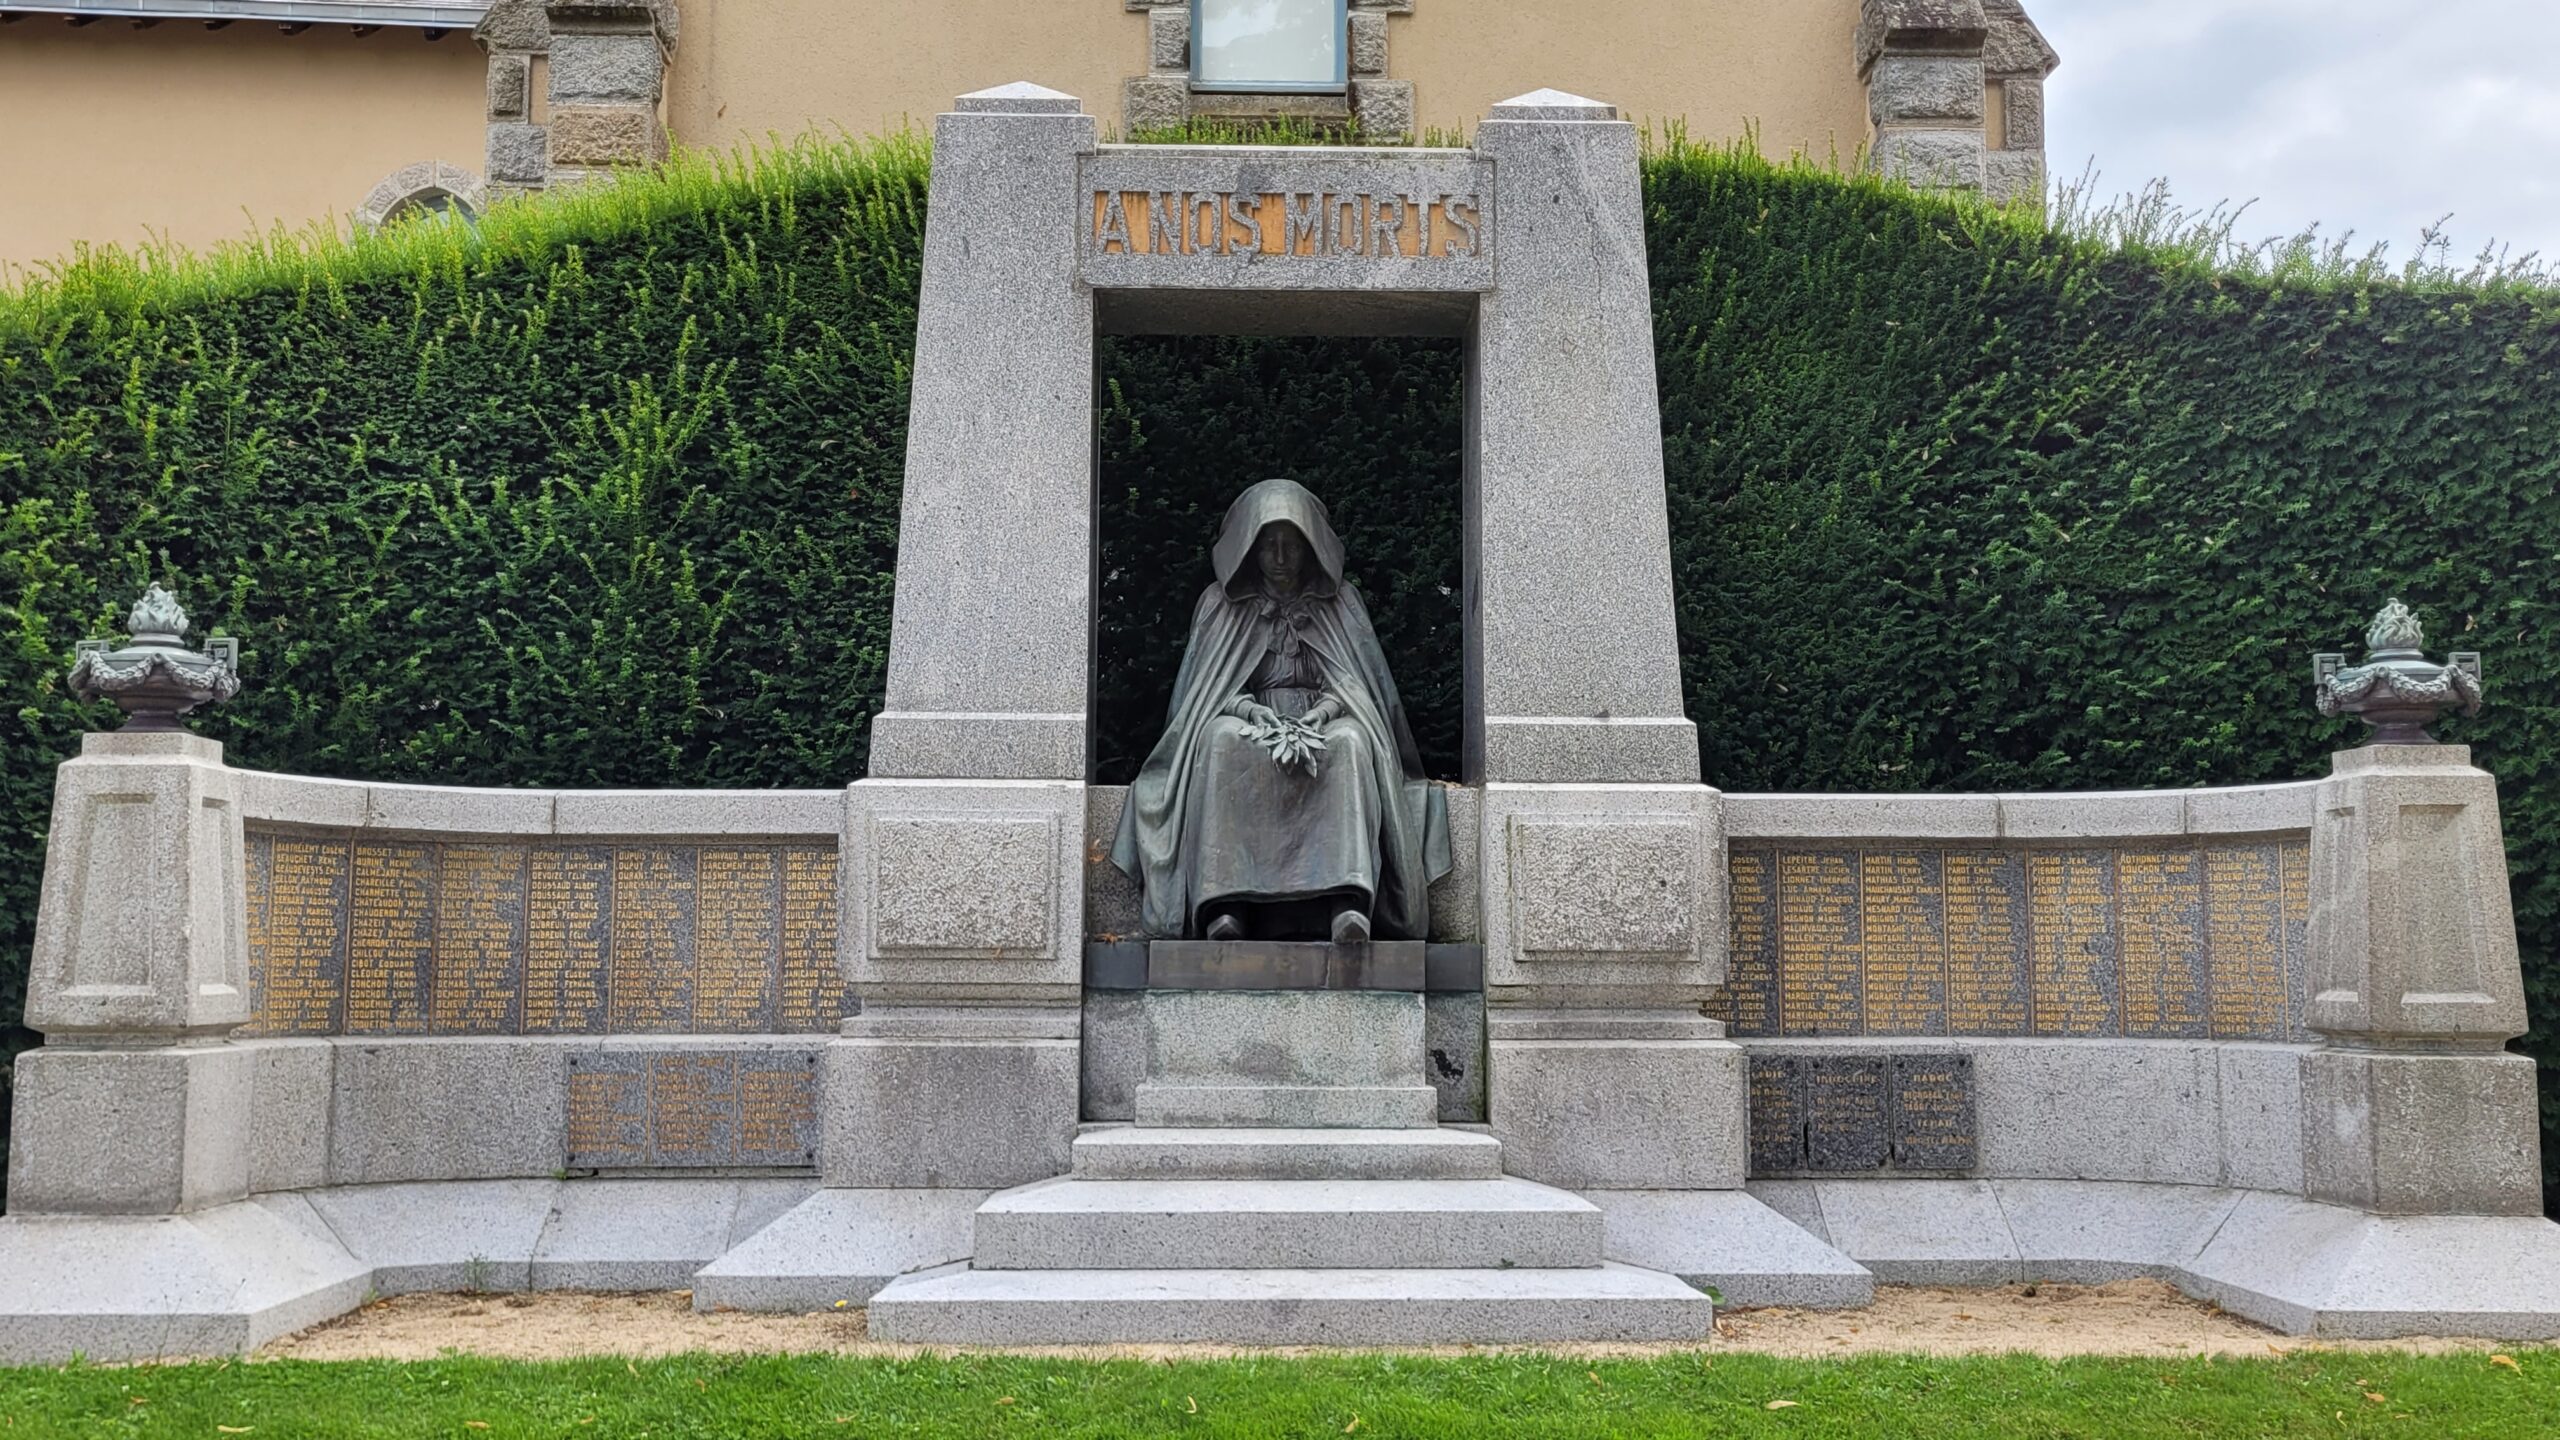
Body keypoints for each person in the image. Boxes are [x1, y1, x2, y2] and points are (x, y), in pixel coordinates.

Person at [1111, 478, 1451, 943]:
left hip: (1324, 721)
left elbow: (1354, 684)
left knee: (1352, 744)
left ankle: (1347, 903)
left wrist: (1326, 713)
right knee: (1218, 740)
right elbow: (1205, 693)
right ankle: (1225, 906)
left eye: (1290, 544)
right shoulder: (1218, 605)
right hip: (1251, 721)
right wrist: (1249, 712)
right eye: (1269, 545)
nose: (1280, 557)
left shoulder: (1341, 603)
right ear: (1250, 549)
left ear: (1309, 547)